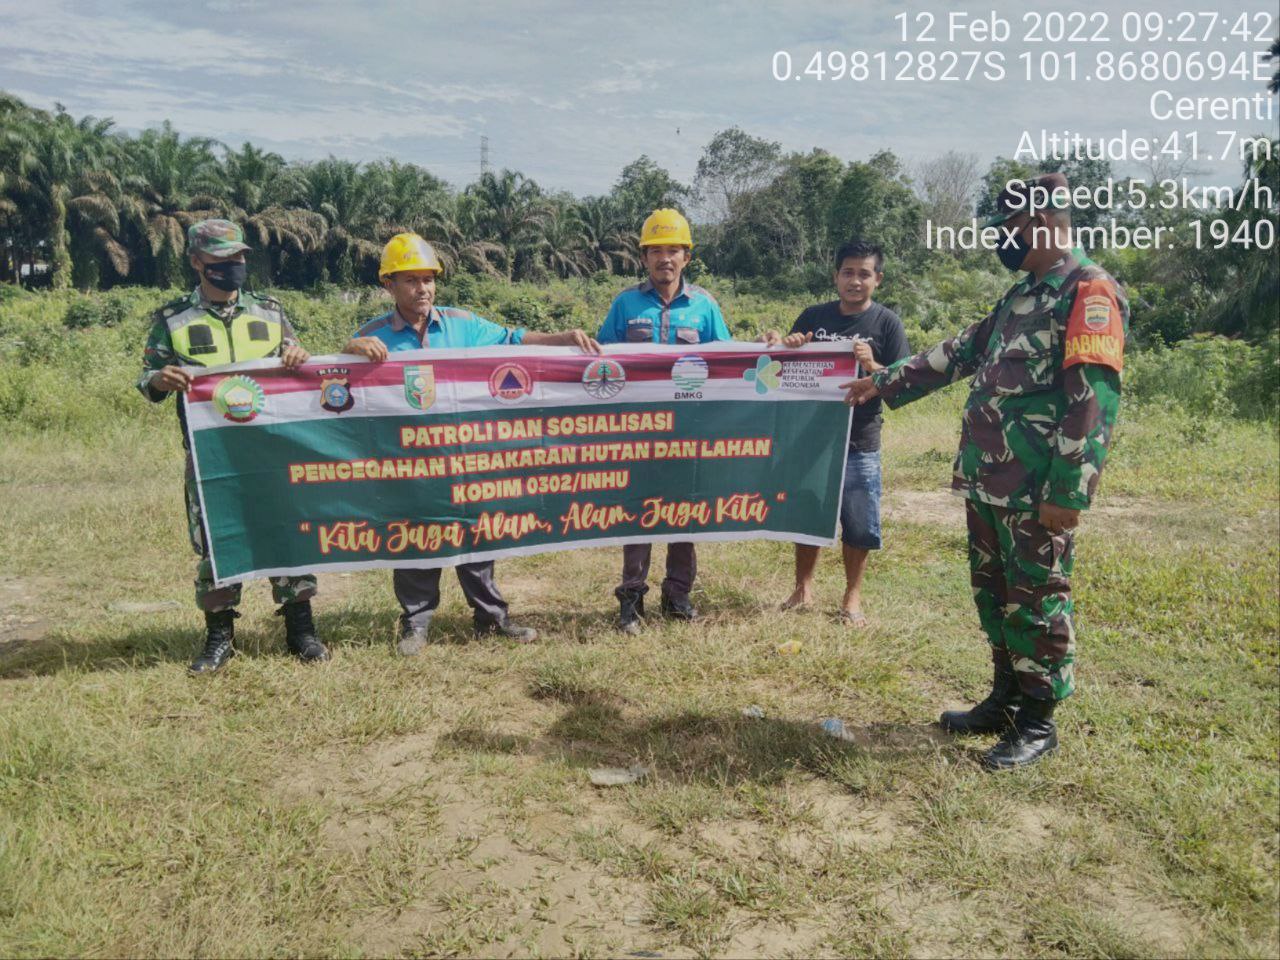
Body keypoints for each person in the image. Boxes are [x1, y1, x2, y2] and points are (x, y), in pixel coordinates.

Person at [843, 173, 1128, 770]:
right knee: (994, 594)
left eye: (1013, 229)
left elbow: (1093, 399)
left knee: (1037, 598)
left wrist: (1069, 490)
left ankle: (1038, 721)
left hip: (1036, 489)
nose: (1006, 239)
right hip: (990, 480)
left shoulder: (1089, 292)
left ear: (1045, 222)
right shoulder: (1023, 295)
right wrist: (882, 382)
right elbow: (960, 351)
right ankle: (1003, 698)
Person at [344, 232, 600, 655]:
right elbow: (337, 380)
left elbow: (514, 339)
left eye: (428, 279)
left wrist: (564, 337)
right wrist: (349, 349)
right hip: (410, 460)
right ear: (388, 285)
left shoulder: (462, 324)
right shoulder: (372, 336)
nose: (422, 288)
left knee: (477, 533)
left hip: (465, 453)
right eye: (410, 280)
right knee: (415, 537)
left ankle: (492, 619)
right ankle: (415, 624)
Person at [137, 219, 328, 674]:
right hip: (211, 457)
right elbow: (147, 379)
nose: (233, 267)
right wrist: (159, 379)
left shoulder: (269, 311)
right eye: (222, 260)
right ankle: (220, 636)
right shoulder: (173, 320)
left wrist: (299, 357)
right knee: (218, 540)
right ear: (197, 262)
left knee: (289, 531)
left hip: (273, 450)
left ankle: (301, 630)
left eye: (239, 258)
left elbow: (296, 361)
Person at [595, 208, 731, 633]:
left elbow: (728, 361)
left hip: (689, 430)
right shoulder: (625, 303)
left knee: (684, 512)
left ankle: (678, 594)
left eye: (673, 250)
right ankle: (631, 598)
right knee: (637, 513)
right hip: (637, 431)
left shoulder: (705, 306)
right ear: (644, 257)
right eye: (656, 250)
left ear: (686, 257)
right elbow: (602, 361)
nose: (665, 259)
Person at [763, 240, 909, 626]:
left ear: (877, 279)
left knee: (859, 521)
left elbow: (903, 384)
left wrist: (873, 364)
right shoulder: (813, 316)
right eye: (848, 272)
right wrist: (790, 344)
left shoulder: (887, 324)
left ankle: (852, 598)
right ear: (836, 276)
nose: (855, 281)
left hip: (860, 441)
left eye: (864, 274)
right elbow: (780, 372)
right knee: (808, 512)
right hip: (810, 438)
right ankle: (803, 588)